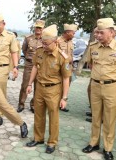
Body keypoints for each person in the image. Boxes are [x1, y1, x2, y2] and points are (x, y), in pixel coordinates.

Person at [82, 18, 116, 160]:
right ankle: (94, 143)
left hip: (112, 87)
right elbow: (90, 64)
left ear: (112, 33)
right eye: (97, 33)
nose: (97, 35)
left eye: (101, 33)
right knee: (96, 117)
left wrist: (113, 78)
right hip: (95, 86)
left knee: (109, 119)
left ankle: (108, 148)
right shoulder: (93, 47)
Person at [25, 24, 71, 154]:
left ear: (55, 41)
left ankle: (52, 142)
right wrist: (29, 84)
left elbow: (66, 78)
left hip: (54, 90)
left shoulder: (62, 57)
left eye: (47, 44)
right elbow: (35, 67)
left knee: (53, 117)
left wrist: (64, 98)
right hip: (39, 87)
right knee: (38, 115)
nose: (44, 46)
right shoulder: (40, 51)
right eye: (43, 43)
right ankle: (38, 138)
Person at [17, 20, 44, 113]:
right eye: (37, 27)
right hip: (29, 64)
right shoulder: (28, 38)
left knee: (38, 86)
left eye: (40, 28)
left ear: (43, 29)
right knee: (25, 85)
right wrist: (30, 58)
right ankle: (21, 104)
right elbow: (24, 50)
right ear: (34, 28)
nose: (38, 29)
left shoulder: (44, 39)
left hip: (40, 66)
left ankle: (33, 105)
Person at [57, 23, 78, 112]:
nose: (74, 35)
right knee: (58, 86)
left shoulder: (70, 42)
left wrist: (72, 65)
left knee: (66, 86)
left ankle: (62, 104)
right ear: (68, 32)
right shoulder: (58, 41)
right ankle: (56, 103)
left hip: (68, 67)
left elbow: (71, 55)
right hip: (59, 67)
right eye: (73, 33)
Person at [85, 27, 99, 123]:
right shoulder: (93, 46)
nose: (96, 35)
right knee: (90, 91)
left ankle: (98, 116)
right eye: (95, 33)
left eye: (98, 32)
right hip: (94, 75)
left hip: (106, 79)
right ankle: (94, 112)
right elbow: (90, 62)